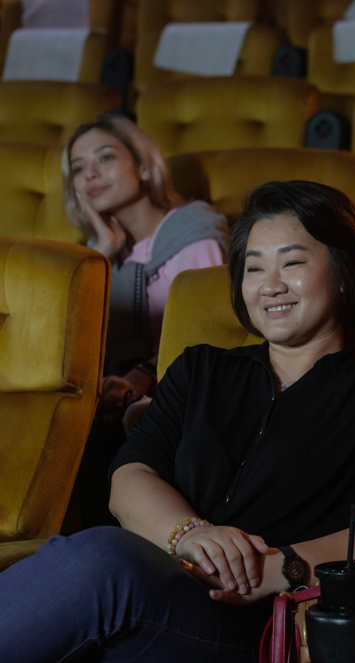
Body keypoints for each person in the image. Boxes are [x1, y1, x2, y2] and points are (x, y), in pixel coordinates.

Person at [0, 180, 355, 662]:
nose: (269, 284)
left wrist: (273, 570)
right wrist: (190, 535)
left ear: (342, 273)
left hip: (263, 623)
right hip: (158, 592)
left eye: (292, 263)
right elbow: (131, 474)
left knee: (103, 560)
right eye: (254, 268)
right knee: (96, 563)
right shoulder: (201, 369)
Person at [61, 112, 227, 528]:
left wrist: (137, 377)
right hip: (111, 396)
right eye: (78, 169)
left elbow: (206, 334)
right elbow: (73, 341)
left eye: (105, 158)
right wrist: (102, 249)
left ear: (144, 165)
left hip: (179, 390)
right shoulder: (100, 252)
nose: (90, 174)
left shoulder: (192, 232)